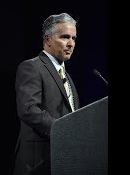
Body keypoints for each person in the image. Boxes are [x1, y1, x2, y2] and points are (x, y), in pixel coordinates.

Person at [12, 13, 80, 175]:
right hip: (37, 162)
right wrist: (62, 129)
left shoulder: (67, 76)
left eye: (74, 38)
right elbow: (28, 109)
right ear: (47, 39)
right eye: (65, 37)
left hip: (61, 159)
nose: (71, 43)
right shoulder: (32, 67)